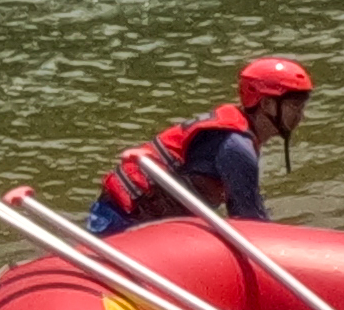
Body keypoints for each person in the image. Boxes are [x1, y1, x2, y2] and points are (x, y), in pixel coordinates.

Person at [89, 57, 318, 239]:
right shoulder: (236, 147)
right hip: (124, 218)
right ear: (267, 103)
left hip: (125, 213)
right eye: (295, 108)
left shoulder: (237, 134)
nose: (301, 116)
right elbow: (250, 220)